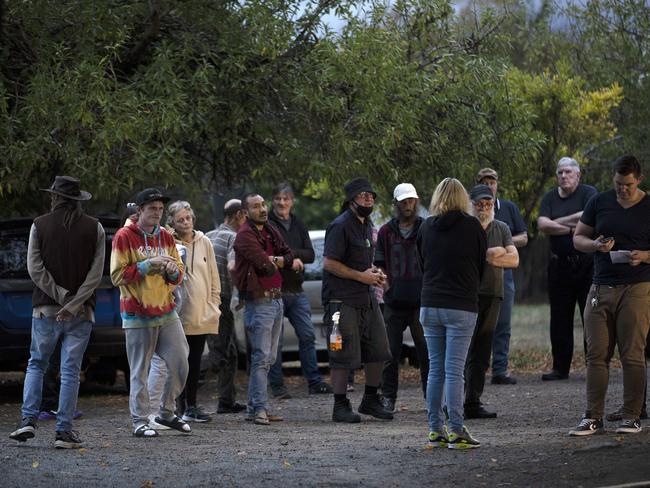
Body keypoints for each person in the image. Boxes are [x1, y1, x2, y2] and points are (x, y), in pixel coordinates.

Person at [9, 176, 105, 449]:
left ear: (55, 197)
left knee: (37, 364)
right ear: (77, 200)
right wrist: (73, 303)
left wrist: (61, 296)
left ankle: (27, 420)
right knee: (71, 371)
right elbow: (95, 274)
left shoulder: (39, 225)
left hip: (45, 310)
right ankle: (63, 431)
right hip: (82, 312)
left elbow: (35, 269)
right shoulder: (94, 228)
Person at [569, 155, 650, 436]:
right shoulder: (599, 202)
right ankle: (592, 416)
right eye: (617, 184)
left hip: (637, 287)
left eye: (627, 184)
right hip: (601, 285)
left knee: (632, 354)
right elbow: (578, 237)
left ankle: (632, 415)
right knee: (596, 354)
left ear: (638, 179)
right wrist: (595, 245)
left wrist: (646, 255)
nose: (621, 190)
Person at [110, 188, 190, 438]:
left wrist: (171, 271)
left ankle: (167, 413)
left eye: (160, 209)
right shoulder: (124, 236)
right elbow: (116, 276)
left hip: (167, 312)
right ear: (140, 210)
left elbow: (178, 272)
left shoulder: (166, 236)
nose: (157, 213)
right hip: (137, 314)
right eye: (152, 208)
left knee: (180, 363)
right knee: (140, 371)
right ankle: (140, 420)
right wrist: (146, 266)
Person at [417, 177, 487, 449]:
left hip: (430, 303)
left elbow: (422, 262)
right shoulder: (473, 226)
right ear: (463, 199)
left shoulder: (426, 227)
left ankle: (436, 430)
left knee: (436, 370)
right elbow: (481, 265)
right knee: (455, 371)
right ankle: (456, 429)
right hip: (461, 305)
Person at [322, 177, 393, 423]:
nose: (369, 199)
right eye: (364, 196)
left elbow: (363, 264)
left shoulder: (366, 224)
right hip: (340, 302)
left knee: (379, 349)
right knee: (340, 354)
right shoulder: (340, 225)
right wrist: (361, 277)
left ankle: (370, 400)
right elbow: (329, 263)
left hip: (367, 298)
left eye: (371, 196)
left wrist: (374, 273)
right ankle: (340, 406)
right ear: (351, 200)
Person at [233, 193, 294, 425]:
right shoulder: (244, 236)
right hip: (259, 301)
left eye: (263, 204)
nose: (262, 209)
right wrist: (276, 261)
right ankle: (259, 408)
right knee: (261, 357)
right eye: (256, 206)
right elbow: (265, 266)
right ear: (245, 212)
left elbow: (289, 256)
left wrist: (275, 259)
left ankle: (255, 408)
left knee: (268, 357)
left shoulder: (270, 228)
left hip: (276, 299)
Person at [267, 183, 332, 397]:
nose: (282, 202)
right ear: (272, 201)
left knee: (307, 336)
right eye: (278, 198)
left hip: (296, 290)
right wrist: (291, 258)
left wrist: (289, 257)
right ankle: (277, 386)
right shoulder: (267, 224)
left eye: (286, 198)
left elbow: (311, 255)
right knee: (275, 342)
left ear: (292, 201)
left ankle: (314, 382)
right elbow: (267, 254)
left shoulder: (298, 224)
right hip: (274, 291)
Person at [537, 157, 598, 381]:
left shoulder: (588, 193)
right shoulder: (550, 197)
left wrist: (558, 223)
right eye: (560, 173)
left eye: (568, 172)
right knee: (559, 317)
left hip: (586, 265)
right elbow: (542, 225)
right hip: (558, 265)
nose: (563, 176)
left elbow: (588, 217)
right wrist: (571, 226)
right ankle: (560, 368)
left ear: (578, 175)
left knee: (590, 315)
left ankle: (594, 365)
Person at [464, 184, 519, 419]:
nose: (484, 207)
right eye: (479, 204)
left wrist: (493, 257)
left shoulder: (501, 227)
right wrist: (493, 253)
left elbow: (514, 259)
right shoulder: (465, 227)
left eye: (488, 203)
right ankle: (455, 402)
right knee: (463, 349)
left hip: (492, 294)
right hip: (466, 295)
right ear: (471, 204)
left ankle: (473, 402)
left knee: (483, 349)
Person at [374, 183, 429, 413]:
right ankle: (388, 398)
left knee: (427, 353)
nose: (408, 205)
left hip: (421, 303)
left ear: (416, 202)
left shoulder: (426, 228)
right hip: (394, 304)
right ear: (396, 204)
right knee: (390, 354)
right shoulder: (386, 231)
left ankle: (432, 398)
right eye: (403, 201)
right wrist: (387, 289)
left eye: (411, 200)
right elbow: (379, 265)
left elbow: (433, 262)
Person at [168, 200, 221, 423]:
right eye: (180, 220)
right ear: (172, 222)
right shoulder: (168, 242)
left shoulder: (205, 241)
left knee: (196, 361)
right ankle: (176, 407)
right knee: (178, 361)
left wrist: (214, 304)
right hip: (178, 313)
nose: (186, 223)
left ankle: (191, 406)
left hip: (202, 313)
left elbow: (213, 275)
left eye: (188, 218)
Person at [476, 168, 528, 385]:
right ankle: (476, 368)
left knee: (503, 322)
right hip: (477, 275)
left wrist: (503, 244)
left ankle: (500, 369)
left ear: (498, 184)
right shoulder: (472, 210)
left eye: (492, 182)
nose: (489, 185)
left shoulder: (508, 208)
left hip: (503, 273)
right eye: (485, 182)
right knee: (476, 324)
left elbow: (524, 237)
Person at [205, 199, 248, 414]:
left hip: (203, 299)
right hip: (221, 299)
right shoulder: (234, 237)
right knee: (221, 351)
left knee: (229, 350)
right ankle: (205, 372)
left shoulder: (207, 235)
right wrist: (239, 295)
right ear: (239, 215)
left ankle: (226, 401)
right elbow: (234, 266)